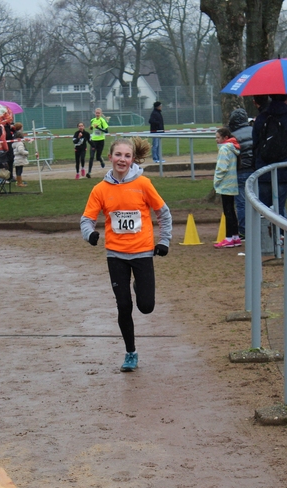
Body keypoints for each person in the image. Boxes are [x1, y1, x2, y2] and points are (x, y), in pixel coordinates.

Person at [80, 136, 172, 372]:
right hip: (116, 255)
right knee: (123, 306)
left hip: (142, 252)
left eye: (127, 156)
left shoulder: (143, 184)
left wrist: (164, 241)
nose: (122, 159)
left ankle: (138, 285)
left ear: (133, 159)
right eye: (118, 155)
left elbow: (163, 213)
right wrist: (89, 234)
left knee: (146, 306)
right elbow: (87, 219)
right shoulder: (100, 189)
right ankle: (131, 352)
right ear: (110, 157)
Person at [252, 94, 287, 219]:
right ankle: (279, 230)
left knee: (264, 210)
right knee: (279, 207)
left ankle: (267, 230)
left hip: (264, 169)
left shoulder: (261, 118)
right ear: (286, 99)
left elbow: (255, 144)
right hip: (284, 170)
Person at [213, 127, 241, 248]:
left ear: (225, 138)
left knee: (227, 211)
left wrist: (216, 181)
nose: (216, 140)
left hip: (225, 184)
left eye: (218, 137)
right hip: (232, 183)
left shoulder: (224, 149)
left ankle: (229, 237)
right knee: (231, 211)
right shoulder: (233, 148)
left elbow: (222, 168)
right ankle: (235, 236)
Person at [228, 107, 254, 239]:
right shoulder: (254, 130)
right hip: (256, 170)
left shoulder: (233, 136)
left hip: (241, 170)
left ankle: (244, 230)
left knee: (241, 203)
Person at [87, 108, 109, 178]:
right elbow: (92, 128)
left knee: (98, 157)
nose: (97, 114)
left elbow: (106, 131)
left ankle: (101, 160)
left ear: (101, 114)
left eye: (99, 113)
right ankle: (89, 172)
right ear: (95, 113)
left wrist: (98, 128)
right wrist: (90, 128)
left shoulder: (102, 121)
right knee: (91, 157)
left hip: (101, 141)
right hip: (93, 141)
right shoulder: (92, 120)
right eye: (96, 113)